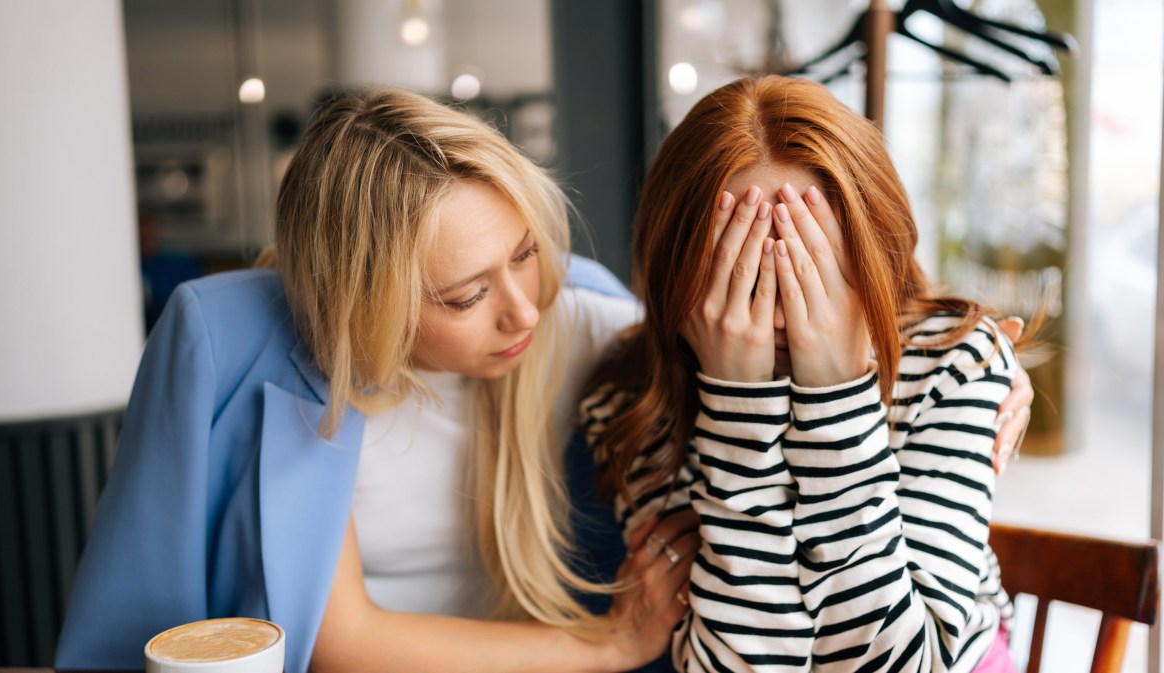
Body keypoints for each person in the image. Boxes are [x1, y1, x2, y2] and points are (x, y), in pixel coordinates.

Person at [55, 88, 696, 673]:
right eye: (467, 296)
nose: (525, 310)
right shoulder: (223, 338)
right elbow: (336, 640)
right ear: (366, 304)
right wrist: (608, 645)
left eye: (526, 253)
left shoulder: (586, 321)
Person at [583, 75, 1030, 672]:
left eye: (809, 265)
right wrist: (738, 403)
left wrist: (836, 396)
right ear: (675, 270)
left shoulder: (955, 363)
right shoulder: (631, 400)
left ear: (874, 249)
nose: (780, 310)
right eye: (738, 269)